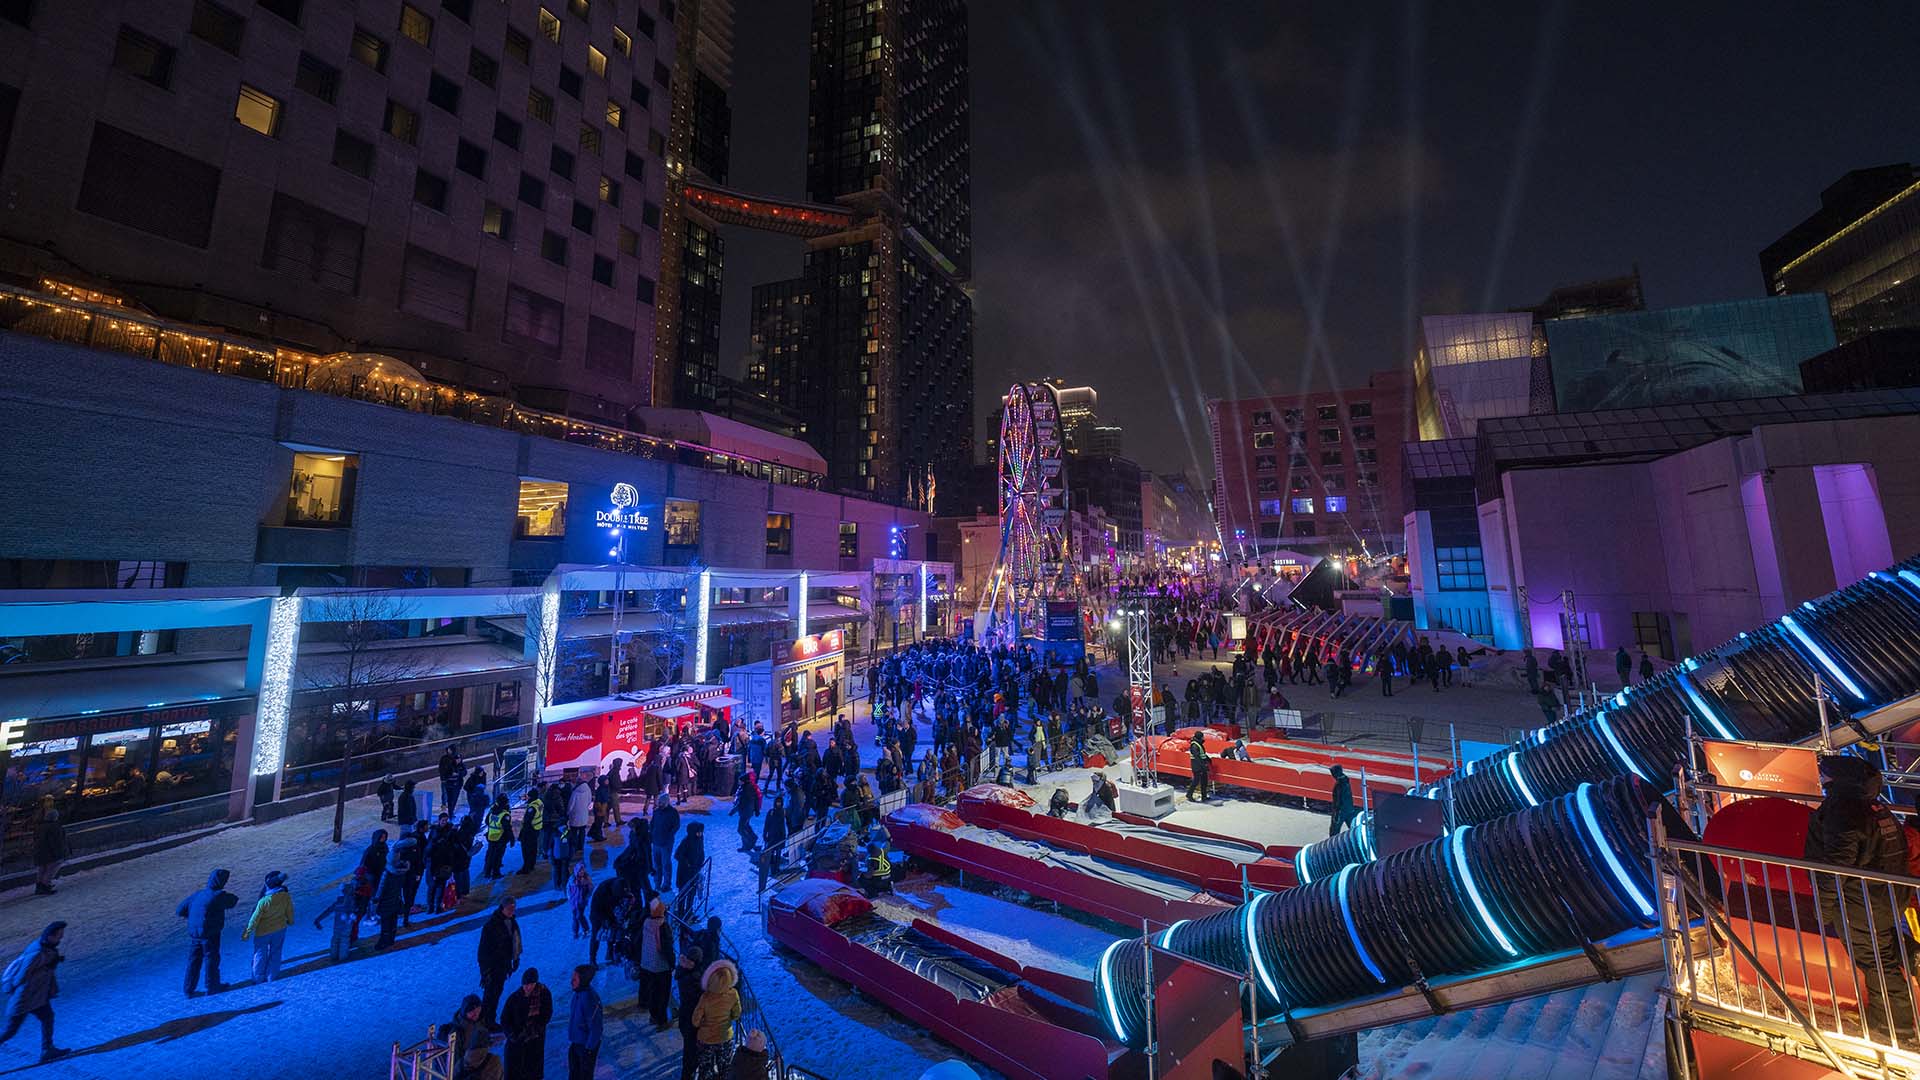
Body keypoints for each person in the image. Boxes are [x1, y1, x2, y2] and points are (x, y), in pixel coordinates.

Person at [1804, 753, 1918, 1045]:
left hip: (1861, 902)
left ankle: (1900, 1030)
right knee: (1883, 956)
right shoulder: (1874, 804)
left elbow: (1836, 865)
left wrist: (1824, 908)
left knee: (1876, 963)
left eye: (1825, 773)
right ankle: (1887, 1019)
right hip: (1883, 898)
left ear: (1838, 778)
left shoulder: (1844, 809)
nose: (1821, 778)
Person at [0, 922, 68, 1063]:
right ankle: (47, 1049)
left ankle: (47, 1049)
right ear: (50, 936)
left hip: (37, 997)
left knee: (48, 1017)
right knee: (10, 1031)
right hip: (26, 998)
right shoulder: (37, 953)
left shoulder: (45, 948)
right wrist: (46, 967)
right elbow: (21, 977)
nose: (61, 939)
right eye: (59, 936)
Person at [176, 867, 237, 997]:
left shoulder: (197, 894)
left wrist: (193, 915)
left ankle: (188, 990)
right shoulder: (219, 896)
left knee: (193, 961)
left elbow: (180, 910)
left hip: (194, 934)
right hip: (210, 934)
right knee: (211, 959)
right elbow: (233, 901)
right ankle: (212, 987)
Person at [691, 959, 742, 1080]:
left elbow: (695, 1020)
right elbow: (737, 1014)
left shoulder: (706, 997)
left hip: (706, 1040)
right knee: (725, 1068)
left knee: (705, 1069)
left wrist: (702, 1023)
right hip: (725, 1037)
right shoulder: (733, 994)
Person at [498, 967, 552, 1080]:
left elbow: (546, 1015)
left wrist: (533, 1030)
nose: (527, 987)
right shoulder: (514, 998)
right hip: (516, 1043)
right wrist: (512, 1035)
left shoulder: (544, 994)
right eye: (525, 984)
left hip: (535, 1041)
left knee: (532, 1072)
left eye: (531, 984)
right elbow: (504, 1019)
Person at [242, 870, 293, 983]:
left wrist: (247, 933)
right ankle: (271, 976)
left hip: (263, 932)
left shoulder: (263, 901)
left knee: (260, 953)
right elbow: (289, 910)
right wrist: (290, 921)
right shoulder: (285, 897)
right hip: (280, 928)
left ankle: (258, 977)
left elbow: (254, 918)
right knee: (276, 952)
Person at [478, 898, 522, 1022]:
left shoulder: (512, 922)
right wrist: (485, 972)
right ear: (502, 908)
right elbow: (483, 951)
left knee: (496, 995)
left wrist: (515, 958)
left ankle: (490, 1020)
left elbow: (515, 941)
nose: (512, 911)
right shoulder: (491, 926)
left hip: (503, 966)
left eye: (513, 909)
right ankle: (485, 1022)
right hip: (493, 968)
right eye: (509, 909)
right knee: (489, 997)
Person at [635, 897, 675, 1029]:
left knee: (652, 991)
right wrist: (672, 963)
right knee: (662, 994)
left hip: (647, 964)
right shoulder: (662, 926)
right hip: (661, 966)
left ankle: (653, 1016)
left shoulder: (646, 922)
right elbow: (666, 947)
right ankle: (662, 1021)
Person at [674, 947, 706, 1080]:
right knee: (691, 1053)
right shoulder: (694, 978)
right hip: (692, 1020)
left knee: (689, 1049)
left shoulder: (682, 971)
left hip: (685, 1017)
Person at [567, 964, 602, 1080]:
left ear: (583, 980)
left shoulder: (589, 999)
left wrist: (589, 1051)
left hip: (585, 1047)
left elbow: (596, 1028)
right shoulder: (577, 994)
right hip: (576, 1044)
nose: (571, 981)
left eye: (575, 979)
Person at [314, 881, 359, 962]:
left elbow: (328, 911)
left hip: (337, 925)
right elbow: (354, 910)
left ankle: (334, 956)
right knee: (344, 940)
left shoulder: (338, 902)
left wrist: (318, 920)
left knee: (335, 939)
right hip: (347, 924)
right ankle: (343, 957)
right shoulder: (352, 900)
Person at [31, 807, 66, 896]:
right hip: (50, 852)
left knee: (42, 868)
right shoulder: (54, 827)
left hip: (39, 852)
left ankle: (39, 886)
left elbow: (36, 839)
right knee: (52, 868)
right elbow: (56, 841)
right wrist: (59, 853)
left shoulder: (39, 826)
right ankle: (45, 885)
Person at [652, 798, 681, 893]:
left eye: (661, 803)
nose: (659, 804)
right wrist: (652, 833)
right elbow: (652, 824)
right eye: (658, 802)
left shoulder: (673, 812)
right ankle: (657, 883)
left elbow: (676, 826)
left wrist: (669, 835)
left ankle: (666, 884)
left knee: (665, 864)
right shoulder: (656, 812)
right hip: (656, 842)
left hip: (666, 844)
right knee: (656, 865)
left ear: (666, 802)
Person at [517, 787, 545, 876]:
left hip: (530, 830)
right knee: (533, 848)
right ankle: (532, 865)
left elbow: (527, 821)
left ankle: (526, 868)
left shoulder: (532, 807)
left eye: (529, 796)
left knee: (526, 849)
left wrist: (522, 833)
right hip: (537, 828)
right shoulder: (539, 802)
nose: (527, 798)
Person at [1328, 765, 1357, 837]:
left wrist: (1337, 813)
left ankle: (1332, 845)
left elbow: (1339, 800)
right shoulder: (1345, 780)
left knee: (1334, 830)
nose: (1332, 775)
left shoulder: (1340, 784)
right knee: (1353, 827)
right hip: (1349, 808)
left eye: (1332, 773)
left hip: (1341, 811)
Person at [566, 864, 593, 940]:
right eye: (580, 870)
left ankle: (586, 929)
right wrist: (569, 896)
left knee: (579, 916)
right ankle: (575, 932)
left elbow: (590, 889)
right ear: (576, 871)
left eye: (583, 870)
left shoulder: (586, 879)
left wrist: (586, 897)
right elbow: (568, 887)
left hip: (582, 901)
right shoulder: (572, 879)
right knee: (575, 917)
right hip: (573, 901)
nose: (582, 872)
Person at [1186, 731, 1212, 802]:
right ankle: (1189, 795)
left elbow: (1202, 754)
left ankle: (1204, 796)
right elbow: (1197, 758)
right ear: (1200, 737)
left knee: (1204, 782)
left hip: (1201, 766)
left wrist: (1208, 759)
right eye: (1202, 736)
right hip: (1197, 767)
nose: (1203, 738)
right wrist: (1204, 766)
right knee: (1196, 781)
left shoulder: (1198, 744)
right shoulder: (1194, 746)